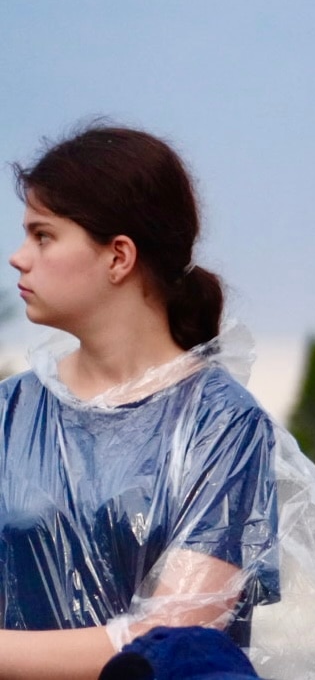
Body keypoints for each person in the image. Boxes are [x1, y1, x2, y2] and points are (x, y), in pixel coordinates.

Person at [0, 126, 280, 680]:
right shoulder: (10, 415)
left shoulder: (220, 425)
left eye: (43, 235)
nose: (18, 257)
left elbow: (171, 639)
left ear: (118, 256)